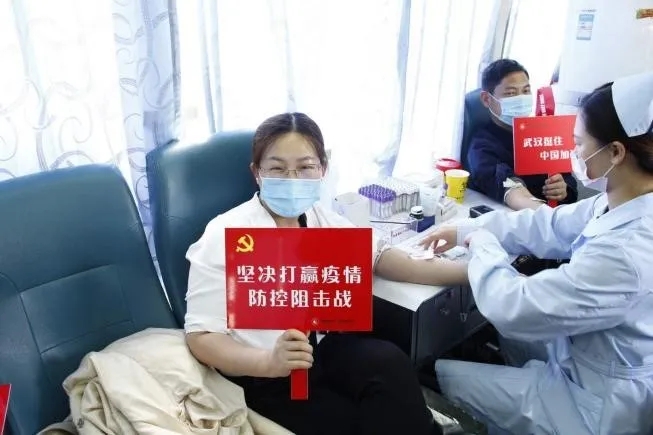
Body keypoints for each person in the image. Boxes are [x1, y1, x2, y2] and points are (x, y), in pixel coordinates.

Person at [184, 112, 468, 435]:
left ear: (323, 169)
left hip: (324, 349)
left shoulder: (318, 217)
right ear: (257, 173)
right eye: (277, 168)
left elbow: (380, 256)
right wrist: (268, 362)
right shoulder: (225, 234)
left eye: (305, 167)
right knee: (347, 422)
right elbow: (201, 337)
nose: (292, 179)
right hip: (266, 373)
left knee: (391, 363)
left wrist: (472, 274)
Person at [419, 71, 653, 434]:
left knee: (441, 375)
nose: (575, 153)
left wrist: (479, 244)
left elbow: (515, 307)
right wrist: (468, 229)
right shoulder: (621, 201)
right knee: (499, 341)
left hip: (597, 404)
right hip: (587, 357)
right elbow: (550, 225)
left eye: (579, 143)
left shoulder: (628, 250)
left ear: (616, 152)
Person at [467, 59, 578, 210]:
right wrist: (550, 217)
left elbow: (568, 179)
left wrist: (564, 189)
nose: (520, 99)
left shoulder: (543, 133)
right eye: (511, 93)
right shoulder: (482, 145)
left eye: (526, 91)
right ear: (487, 99)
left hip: (556, 213)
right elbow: (512, 189)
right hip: (528, 216)